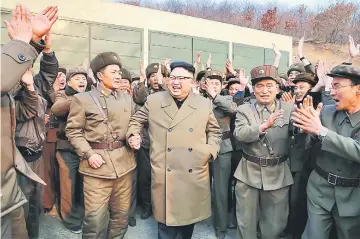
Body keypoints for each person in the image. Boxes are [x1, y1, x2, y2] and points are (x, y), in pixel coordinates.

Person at [127, 61, 222, 239]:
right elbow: (136, 120)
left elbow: (215, 131)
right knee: (165, 227)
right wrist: (133, 134)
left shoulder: (203, 104)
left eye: (182, 78)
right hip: (165, 171)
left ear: (193, 82)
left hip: (194, 170)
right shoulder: (154, 101)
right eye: (172, 77)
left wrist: (210, 151)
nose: (176, 82)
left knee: (188, 223)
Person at [1, 4, 57, 238]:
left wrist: (43, 48)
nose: (26, 69)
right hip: (19, 157)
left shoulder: (35, 84)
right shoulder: (14, 91)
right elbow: (8, 83)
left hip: (35, 154)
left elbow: (48, 76)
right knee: (20, 211)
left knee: (32, 205)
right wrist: (25, 44)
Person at [66, 52, 136, 238]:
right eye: (113, 72)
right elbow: (73, 131)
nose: (118, 76)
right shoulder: (83, 99)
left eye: (119, 72)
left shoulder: (126, 99)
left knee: (121, 216)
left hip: (124, 166)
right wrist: (89, 154)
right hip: (96, 168)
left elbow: (133, 123)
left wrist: (133, 136)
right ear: (99, 75)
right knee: (95, 220)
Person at [292, 64, 360, 239]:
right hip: (319, 191)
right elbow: (303, 146)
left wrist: (321, 131)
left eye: (337, 86)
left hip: (353, 197)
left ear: (357, 89)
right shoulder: (326, 112)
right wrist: (303, 130)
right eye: (331, 86)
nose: (331, 92)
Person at [234, 65, 294, 239]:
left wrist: (305, 130)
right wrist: (263, 126)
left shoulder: (289, 109)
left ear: (277, 87)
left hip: (278, 174)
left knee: (275, 225)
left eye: (269, 85)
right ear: (253, 89)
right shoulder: (244, 109)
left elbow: (299, 140)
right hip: (248, 174)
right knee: (246, 224)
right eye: (259, 86)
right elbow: (240, 134)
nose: (265, 90)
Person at [51, 67, 88, 234]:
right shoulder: (63, 94)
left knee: (83, 185)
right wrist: (78, 99)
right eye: (78, 78)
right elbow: (57, 108)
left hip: (85, 149)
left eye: (84, 78)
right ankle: (70, 220)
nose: (82, 81)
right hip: (66, 148)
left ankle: (83, 215)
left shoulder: (91, 95)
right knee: (68, 185)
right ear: (69, 80)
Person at [203, 70, 237, 239]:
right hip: (201, 147)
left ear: (222, 85)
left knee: (221, 189)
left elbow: (232, 110)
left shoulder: (227, 99)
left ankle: (221, 227)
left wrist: (214, 95)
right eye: (210, 83)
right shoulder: (198, 100)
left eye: (217, 83)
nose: (213, 86)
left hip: (223, 148)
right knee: (200, 185)